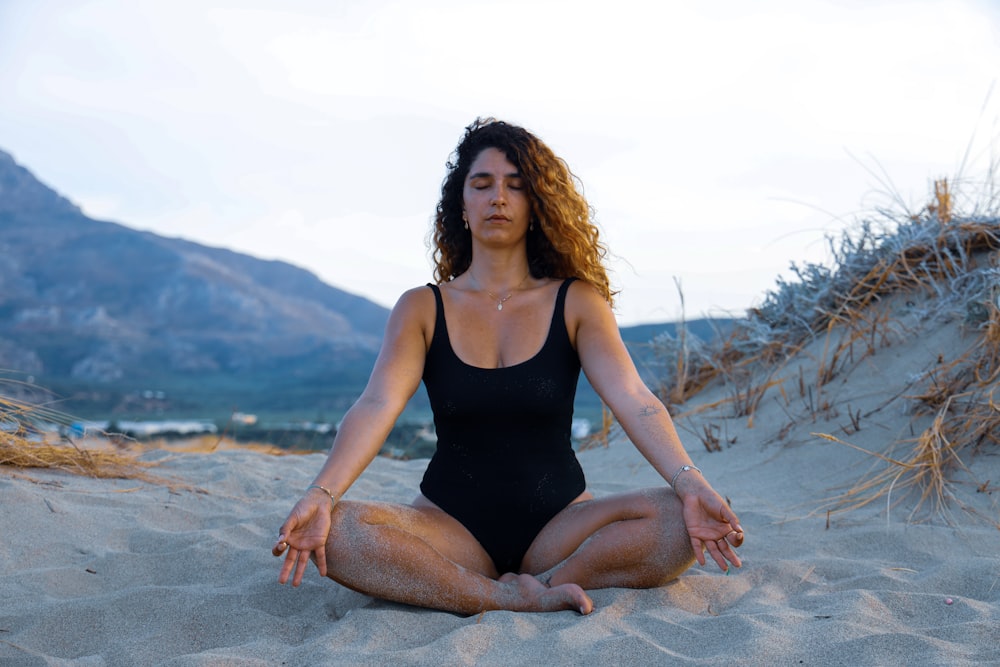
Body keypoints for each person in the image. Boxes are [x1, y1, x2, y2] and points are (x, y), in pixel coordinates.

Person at [272, 118, 744, 615]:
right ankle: (503, 596)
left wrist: (689, 480)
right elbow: (377, 403)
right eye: (483, 184)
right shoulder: (421, 307)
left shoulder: (578, 302)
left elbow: (634, 397)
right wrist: (321, 493)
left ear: (536, 204)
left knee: (677, 519)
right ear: (462, 203)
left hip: (559, 527)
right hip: (450, 527)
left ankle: (551, 582)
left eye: (516, 186)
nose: (498, 197)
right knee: (340, 531)